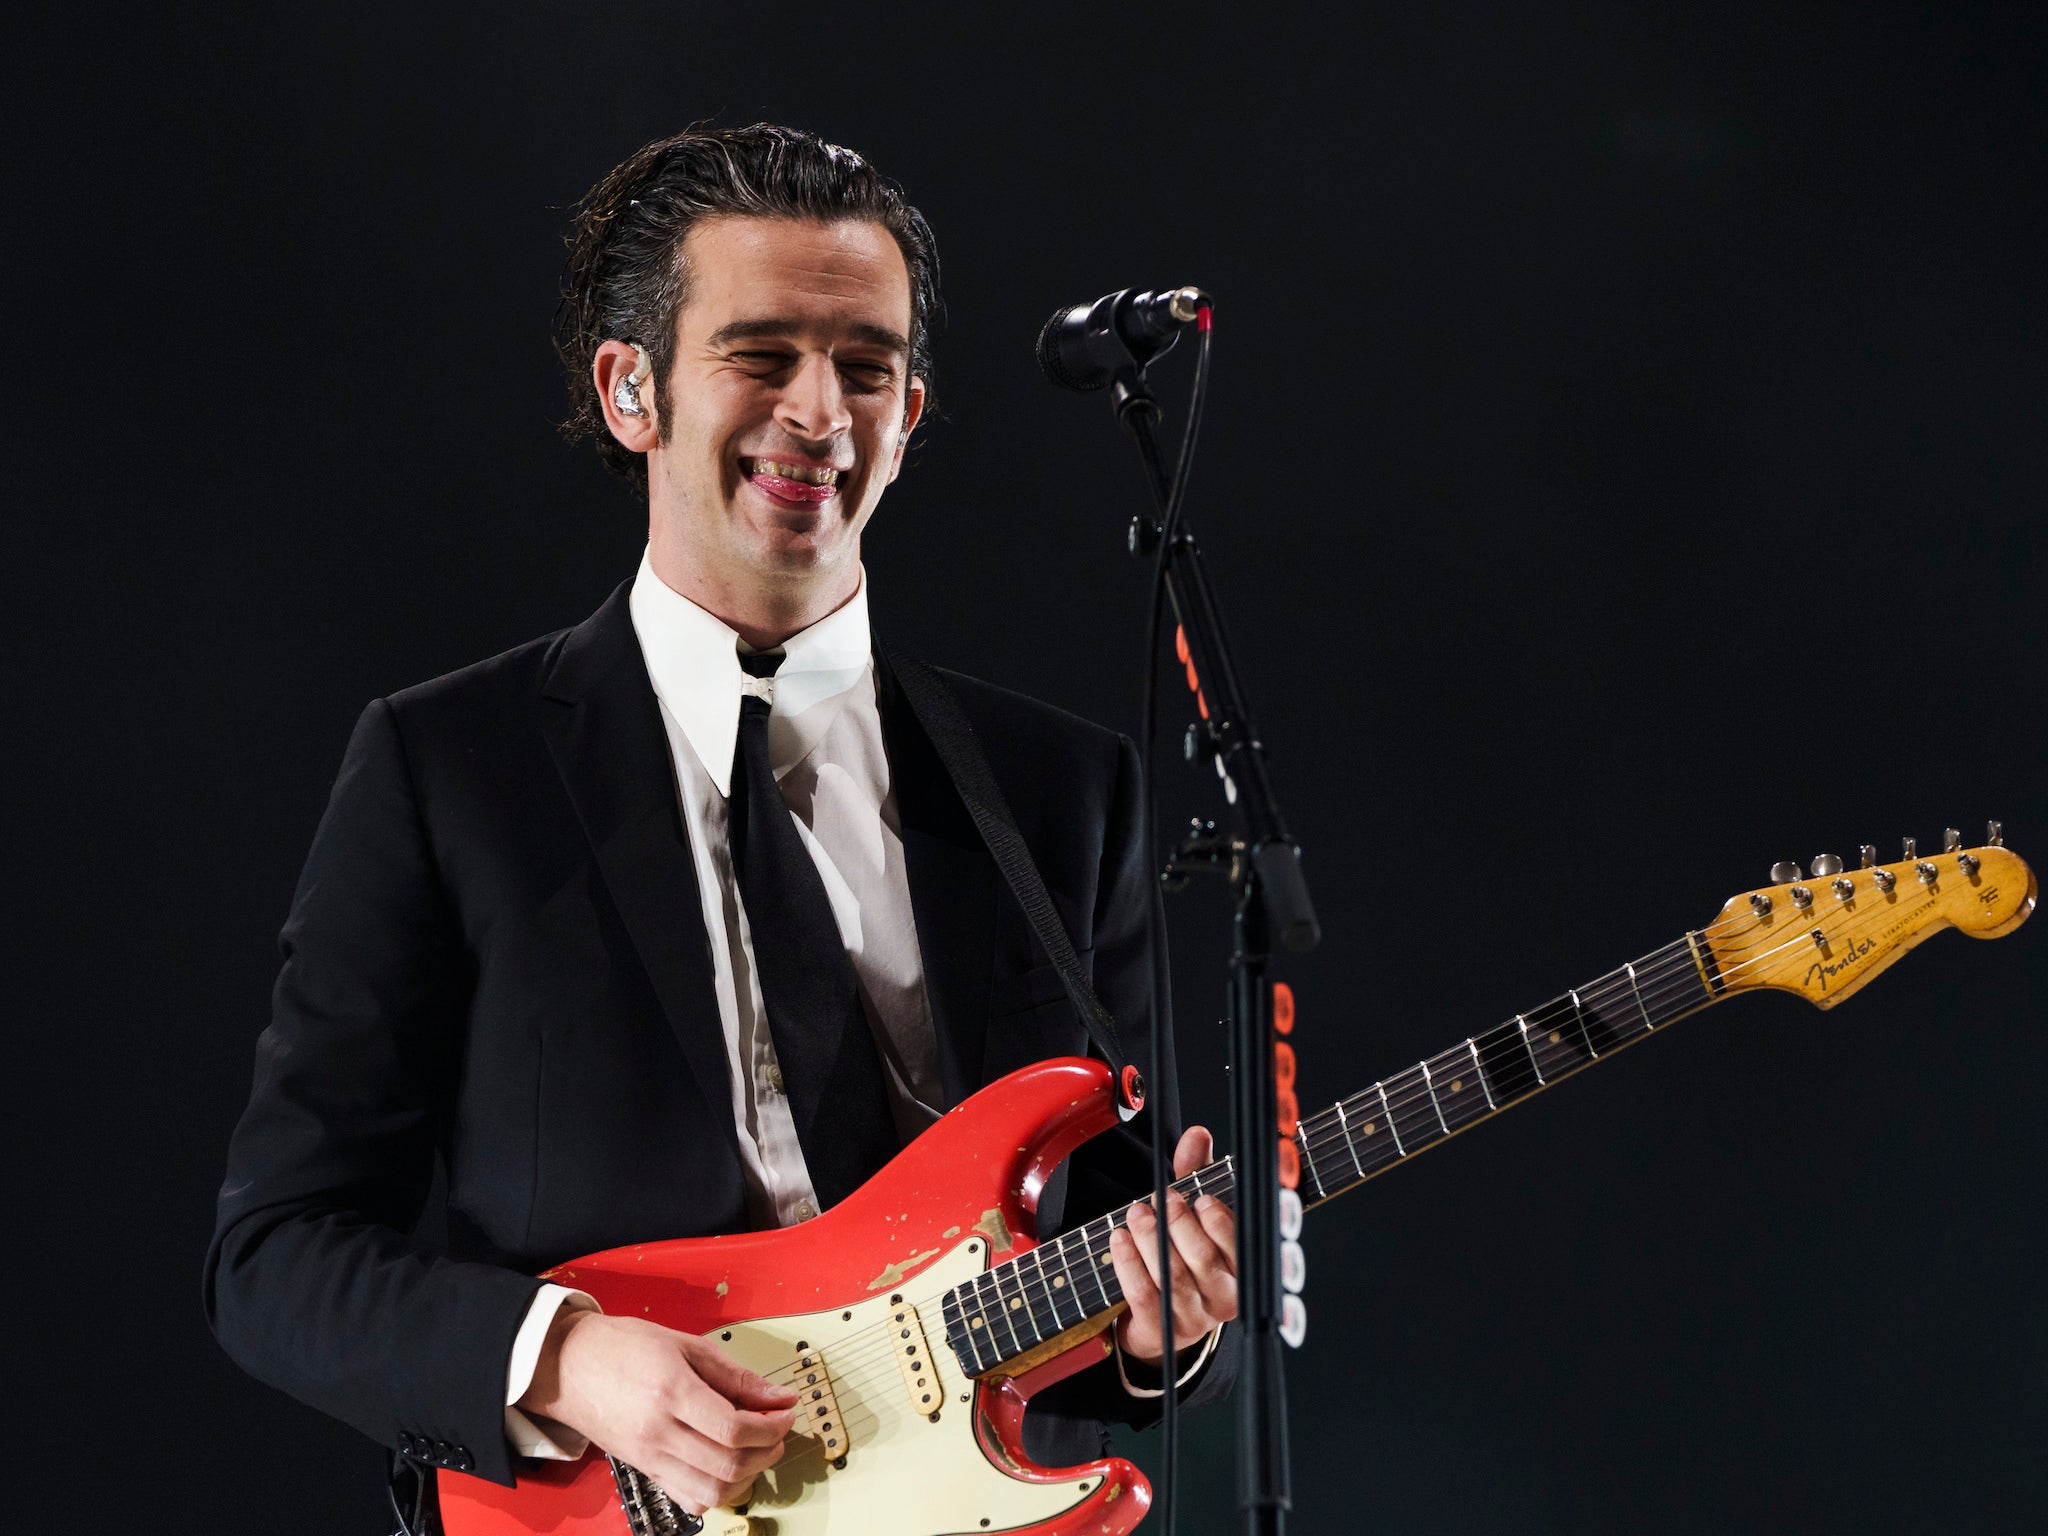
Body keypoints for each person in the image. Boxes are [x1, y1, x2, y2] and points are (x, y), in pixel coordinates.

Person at [206, 123, 1237, 1524]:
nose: (821, 411)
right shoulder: (449, 769)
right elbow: (273, 1258)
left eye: (867, 368)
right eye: (763, 357)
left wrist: (1157, 1330)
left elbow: (1095, 1273)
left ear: (912, 415)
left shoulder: (1062, 792)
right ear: (632, 391)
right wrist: (568, 1360)